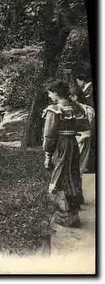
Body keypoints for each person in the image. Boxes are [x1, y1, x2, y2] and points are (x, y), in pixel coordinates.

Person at [42, 80, 88, 228]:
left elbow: (49, 135)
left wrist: (48, 154)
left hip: (62, 144)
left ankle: (65, 214)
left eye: (50, 93)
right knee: (72, 173)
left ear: (55, 93)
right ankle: (74, 213)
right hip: (73, 144)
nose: (49, 96)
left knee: (60, 174)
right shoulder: (76, 107)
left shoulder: (54, 109)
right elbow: (84, 125)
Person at [69, 85, 95, 174]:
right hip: (79, 139)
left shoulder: (87, 110)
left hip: (81, 139)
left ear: (74, 97)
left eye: (68, 96)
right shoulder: (88, 110)